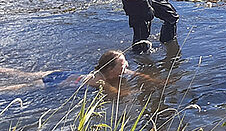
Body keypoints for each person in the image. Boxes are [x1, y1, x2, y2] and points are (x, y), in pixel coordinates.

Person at [0, 50, 154, 95]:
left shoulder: (107, 71)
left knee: (21, 74)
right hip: (56, 82)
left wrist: (148, 78)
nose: (126, 65)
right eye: (122, 64)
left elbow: (132, 73)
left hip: (62, 73)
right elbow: (117, 93)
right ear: (110, 69)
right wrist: (137, 91)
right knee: (20, 87)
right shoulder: (99, 80)